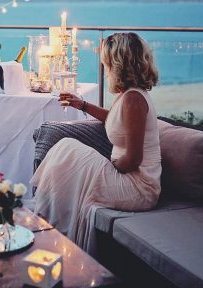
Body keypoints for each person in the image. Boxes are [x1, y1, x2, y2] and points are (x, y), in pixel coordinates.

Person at [30, 32, 161, 253]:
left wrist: (108, 167)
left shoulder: (134, 99)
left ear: (118, 63)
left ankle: (42, 219)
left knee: (67, 149)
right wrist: (82, 105)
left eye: (107, 62)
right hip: (127, 177)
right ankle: (44, 216)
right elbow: (115, 119)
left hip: (139, 187)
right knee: (66, 149)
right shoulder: (129, 95)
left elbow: (134, 159)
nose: (105, 67)